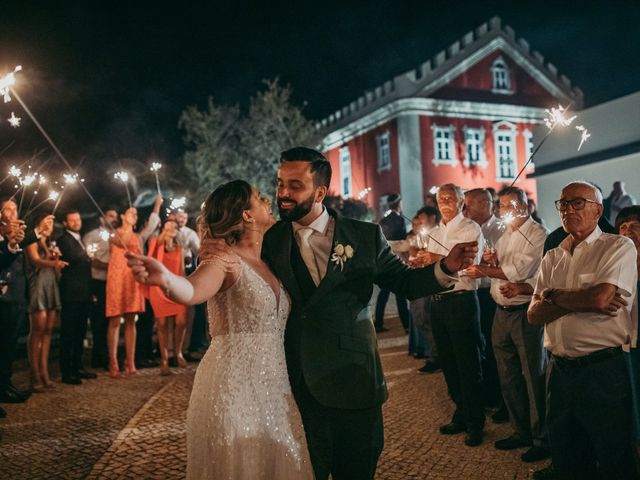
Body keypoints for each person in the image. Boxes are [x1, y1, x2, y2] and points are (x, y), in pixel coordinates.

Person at [260, 147, 477, 479]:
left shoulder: (363, 235)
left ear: (320, 192)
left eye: (294, 185)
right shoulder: (270, 240)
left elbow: (404, 283)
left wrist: (446, 267)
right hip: (298, 379)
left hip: (354, 376)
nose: (283, 194)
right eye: (279, 184)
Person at [127, 180, 315, 479]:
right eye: (258, 198)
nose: (267, 200)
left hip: (275, 390)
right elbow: (192, 289)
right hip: (233, 388)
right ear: (247, 215)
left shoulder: (269, 262)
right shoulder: (224, 260)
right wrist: (165, 279)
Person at [528, 181, 638, 478]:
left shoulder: (617, 246)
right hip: (559, 371)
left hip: (602, 370)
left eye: (578, 203)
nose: (568, 210)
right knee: (568, 456)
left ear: (598, 210)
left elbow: (601, 298)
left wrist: (552, 295)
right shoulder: (553, 256)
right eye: (563, 204)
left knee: (613, 455)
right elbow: (534, 315)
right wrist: (580, 299)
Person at [465, 187, 549, 462]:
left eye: (511, 204)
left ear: (525, 205)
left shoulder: (537, 233)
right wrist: (492, 261)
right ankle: (520, 430)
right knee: (507, 374)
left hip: (525, 311)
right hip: (501, 311)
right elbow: (502, 265)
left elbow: (520, 270)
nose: (505, 210)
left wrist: (485, 269)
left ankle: (541, 437)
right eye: (501, 206)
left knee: (533, 374)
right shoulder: (505, 233)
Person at [425, 183, 486, 447]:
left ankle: (475, 421)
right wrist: (424, 263)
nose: (445, 202)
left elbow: (466, 265)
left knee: (467, 363)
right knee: (448, 362)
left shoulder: (470, 228)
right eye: (441, 198)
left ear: (462, 202)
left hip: (461, 300)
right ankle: (460, 411)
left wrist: (434, 259)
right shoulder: (435, 231)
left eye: (450, 198)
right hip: (437, 302)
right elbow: (431, 268)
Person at [105, 196, 161, 378]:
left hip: (132, 279)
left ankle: (130, 361)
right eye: (131, 213)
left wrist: (157, 205)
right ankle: (113, 362)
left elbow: (151, 225)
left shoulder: (139, 237)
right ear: (122, 216)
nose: (134, 216)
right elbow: (119, 240)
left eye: (136, 214)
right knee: (114, 321)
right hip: (116, 279)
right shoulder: (115, 235)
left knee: (131, 320)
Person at [464, 188, 505, 413]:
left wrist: (487, 266)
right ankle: (486, 394)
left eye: (468, 205)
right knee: (477, 346)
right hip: (473, 293)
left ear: (483, 204)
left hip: (491, 295)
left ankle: (499, 397)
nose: (465, 210)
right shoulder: (470, 228)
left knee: (492, 348)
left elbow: (505, 264)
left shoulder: (500, 229)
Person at [25, 213, 68, 391]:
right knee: (37, 331)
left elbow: (56, 273)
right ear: (39, 222)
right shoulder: (32, 241)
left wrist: (55, 259)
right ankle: (34, 375)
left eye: (52, 223)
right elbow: (35, 261)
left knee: (49, 331)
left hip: (51, 286)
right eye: (47, 221)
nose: (50, 225)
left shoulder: (50, 244)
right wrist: (53, 263)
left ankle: (45, 373)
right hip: (38, 288)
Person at [57, 210, 97, 385]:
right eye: (72, 220)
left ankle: (78, 366)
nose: (76, 222)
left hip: (83, 292)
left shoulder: (80, 239)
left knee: (80, 331)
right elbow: (72, 257)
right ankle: (67, 371)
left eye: (78, 219)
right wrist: (87, 254)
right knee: (69, 333)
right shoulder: (63, 239)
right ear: (66, 223)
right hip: (71, 293)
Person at [146, 219, 187, 375]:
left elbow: (182, 270)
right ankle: (164, 359)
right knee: (162, 324)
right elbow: (151, 262)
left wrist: (185, 287)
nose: (170, 229)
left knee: (182, 320)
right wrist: (163, 238)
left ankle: (178, 352)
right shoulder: (155, 243)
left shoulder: (179, 248)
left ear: (177, 231)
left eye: (173, 227)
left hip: (176, 286)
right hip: (159, 287)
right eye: (167, 226)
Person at [616, 206, 640, 452]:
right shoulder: (619, 265)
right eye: (623, 227)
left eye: (634, 226)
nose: (628, 231)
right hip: (625, 343)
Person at [83, 208, 118, 369]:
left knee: (112, 320)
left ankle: (111, 357)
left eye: (116, 217)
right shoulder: (92, 236)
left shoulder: (117, 236)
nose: (114, 219)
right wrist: (113, 267)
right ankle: (98, 357)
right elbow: (91, 260)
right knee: (99, 321)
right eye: (110, 216)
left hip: (114, 283)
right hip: (98, 281)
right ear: (102, 218)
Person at [374, 193, 411, 333]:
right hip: (396, 259)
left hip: (384, 260)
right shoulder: (400, 220)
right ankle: (407, 325)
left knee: (384, 293)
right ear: (398, 203)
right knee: (400, 293)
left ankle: (378, 322)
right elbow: (403, 242)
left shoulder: (384, 220)